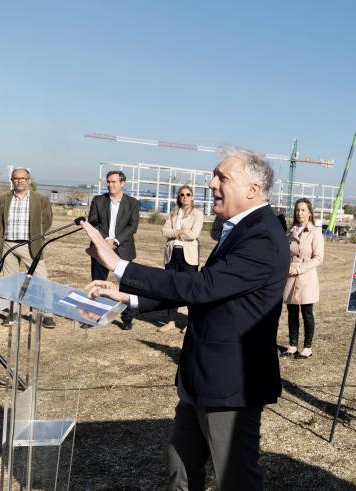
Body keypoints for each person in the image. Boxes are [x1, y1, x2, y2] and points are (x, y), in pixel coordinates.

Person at [83, 146, 289, 490]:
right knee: (179, 470)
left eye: (222, 177)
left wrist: (119, 265)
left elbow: (202, 286)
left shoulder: (263, 236)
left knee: (235, 479)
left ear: (252, 189)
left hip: (231, 385)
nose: (210, 183)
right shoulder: (240, 228)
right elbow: (207, 290)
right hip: (203, 377)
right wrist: (126, 294)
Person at [0, 167, 56, 328]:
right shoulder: (2, 198)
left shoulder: (40, 199)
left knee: (42, 279)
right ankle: (13, 313)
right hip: (8, 245)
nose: (19, 181)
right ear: (12, 180)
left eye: (22, 178)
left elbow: (47, 221)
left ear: (29, 180)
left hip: (31, 244)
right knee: (10, 282)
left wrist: (35, 234)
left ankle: (47, 314)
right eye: (16, 178)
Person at [87, 170, 140, 330]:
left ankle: (127, 318)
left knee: (126, 285)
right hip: (100, 248)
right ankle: (94, 316)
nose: (110, 185)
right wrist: (104, 242)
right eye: (108, 182)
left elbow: (133, 226)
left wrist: (115, 241)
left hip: (123, 248)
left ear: (122, 183)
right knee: (98, 283)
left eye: (114, 182)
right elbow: (93, 222)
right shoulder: (98, 200)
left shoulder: (132, 203)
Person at [157, 185, 204, 333]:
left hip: (188, 256)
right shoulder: (174, 212)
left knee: (189, 289)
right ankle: (170, 321)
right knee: (171, 289)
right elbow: (164, 231)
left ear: (192, 197)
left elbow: (194, 234)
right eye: (182, 194)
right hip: (172, 254)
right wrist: (179, 231)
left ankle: (190, 323)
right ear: (179, 197)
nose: (185, 197)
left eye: (188, 194)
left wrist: (176, 233)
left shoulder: (198, 214)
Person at [282, 198, 324, 359]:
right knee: (291, 312)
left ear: (310, 213)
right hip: (290, 277)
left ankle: (307, 347)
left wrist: (299, 268)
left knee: (307, 312)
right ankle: (292, 345)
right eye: (297, 210)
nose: (299, 213)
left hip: (306, 277)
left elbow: (319, 258)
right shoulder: (289, 231)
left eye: (303, 210)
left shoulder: (315, 233)